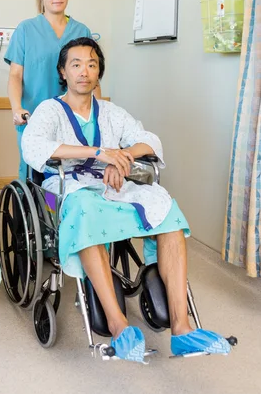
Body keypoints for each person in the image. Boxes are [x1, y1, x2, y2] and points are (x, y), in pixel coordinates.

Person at [21, 37, 232, 363]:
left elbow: (148, 141)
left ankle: (182, 328)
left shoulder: (111, 113)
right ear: (63, 71)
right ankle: (119, 328)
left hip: (111, 183)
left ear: (98, 73)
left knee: (166, 209)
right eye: (75, 64)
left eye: (91, 65)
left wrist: (123, 157)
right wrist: (99, 153)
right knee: (86, 210)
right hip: (64, 187)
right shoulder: (50, 110)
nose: (84, 72)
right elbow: (34, 147)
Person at [5, 0, 93, 180]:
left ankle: (59, 213)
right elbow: (15, 75)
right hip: (33, 117)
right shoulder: (25, 29)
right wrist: (17, 109)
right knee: (33, 177)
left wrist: (97, 115)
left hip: (72, 118)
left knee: (69, 176)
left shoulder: (82, 31)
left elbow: (91, 78)